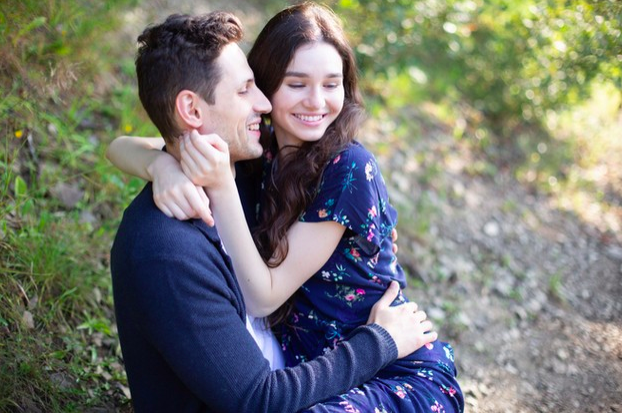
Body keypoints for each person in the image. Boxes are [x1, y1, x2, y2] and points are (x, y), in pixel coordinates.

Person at [109, 10, 439, 413]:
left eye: (331, 84)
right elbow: (126, 145)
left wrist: (381, 340)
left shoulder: (303, 164)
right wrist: (159, 164)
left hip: (382, 366)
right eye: (250, 88)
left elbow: (265, 303)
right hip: (322, 372)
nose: (262, 103)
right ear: (193, 112)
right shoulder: (253, 166)